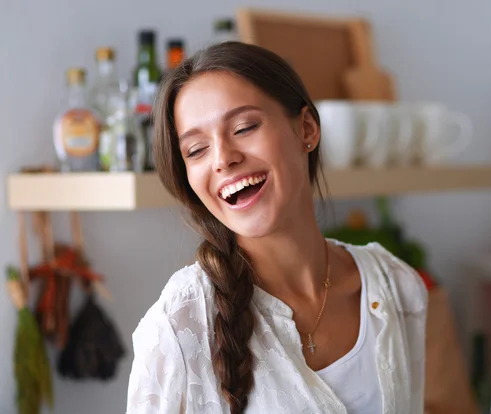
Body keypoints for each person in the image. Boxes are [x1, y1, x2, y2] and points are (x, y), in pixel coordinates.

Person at [126, 41, 428, 414]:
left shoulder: (397, 288)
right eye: (196, 150)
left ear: (306, 129)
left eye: (244, 127)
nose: (223, 158)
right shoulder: (179, 325)